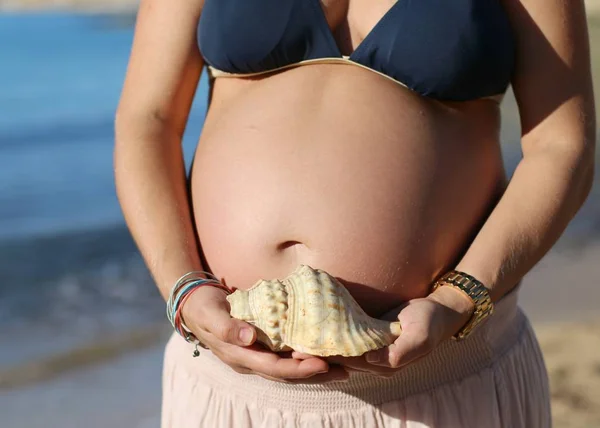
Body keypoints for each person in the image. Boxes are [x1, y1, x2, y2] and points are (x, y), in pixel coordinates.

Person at [114, 0, 595, 426]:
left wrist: (459, 300)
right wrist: (184, 289)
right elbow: (147, 122)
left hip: (437, 385)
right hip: (234, 389)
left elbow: (562, 145)